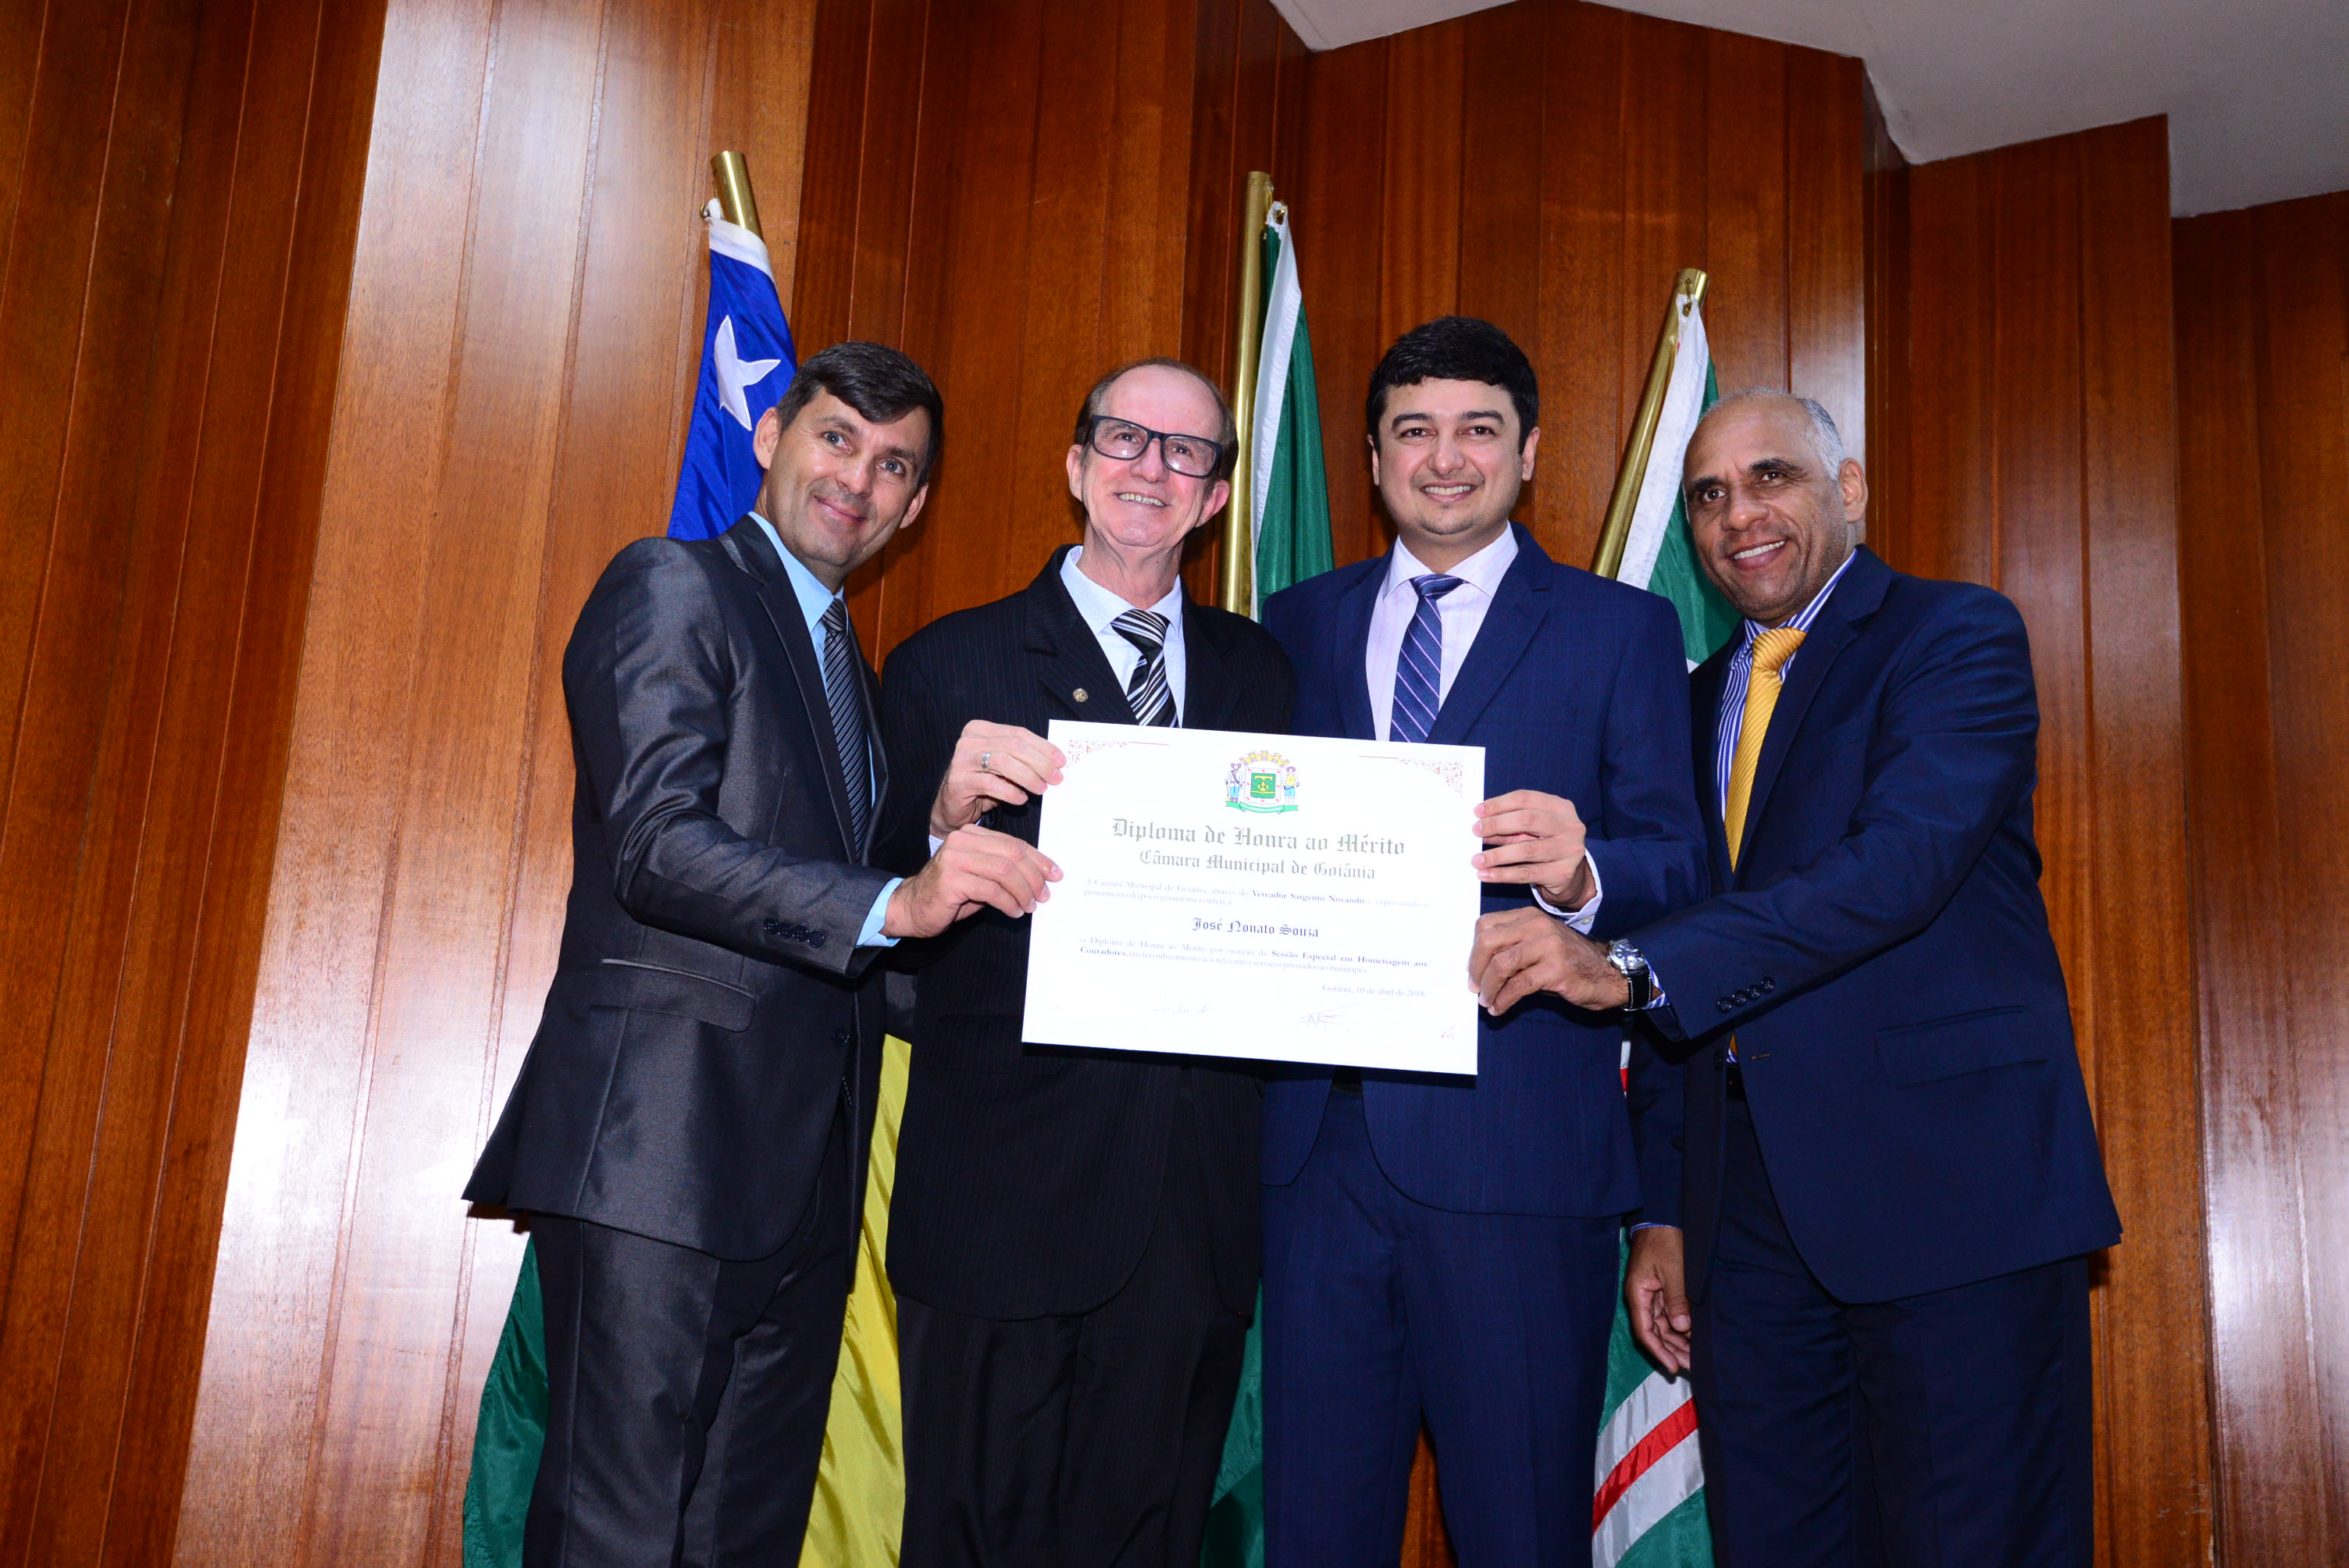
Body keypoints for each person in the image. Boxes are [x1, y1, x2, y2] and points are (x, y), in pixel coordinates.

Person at [1472, 389, 2120, 1566]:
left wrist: (1629, 968)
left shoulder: (1953, 635)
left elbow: (1897, 868)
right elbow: (1683, 940)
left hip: (1950, 1190)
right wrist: (1664, 1208)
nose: (1739, 515)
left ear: (1849, 489)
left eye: (1770, 477)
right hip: (1745, 1226)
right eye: (1709, 495)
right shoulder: (1683, 703)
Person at [463, 342, 1057, 1568]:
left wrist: (937, 846)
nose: (858, 480)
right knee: (618, 1536)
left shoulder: (856, 676)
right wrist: (899, 897)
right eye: (837, 438)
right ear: (772, 435)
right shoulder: (674, 583)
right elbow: (656, 847)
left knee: (744, 1538)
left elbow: (858, 926)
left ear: (916, 507)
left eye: (895, 466)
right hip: (660, 1160)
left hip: (806, 1188)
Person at [1255, 316, 1708, 1566]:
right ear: (1371, 458)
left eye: (1478, 430)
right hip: (1315, 1160)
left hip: (1522, 1160)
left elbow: (1684, 865)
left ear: (1529, 452)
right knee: (1314, 1533)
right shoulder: (1289, 623)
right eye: (1414, 431)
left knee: (1520, 1532)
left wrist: (1582, 874)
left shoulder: (1620, 630)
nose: (1445, 458)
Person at [875, 358, 1293, 1568]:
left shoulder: (1264, 674)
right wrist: (939, 830)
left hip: (1190, 1212)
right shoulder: (946, 664)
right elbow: (860, 899)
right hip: (1000, 1203)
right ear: (1075, 465)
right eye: (1123, 439)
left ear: (1216, 495)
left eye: (1185, 452)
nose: (1151, 469)